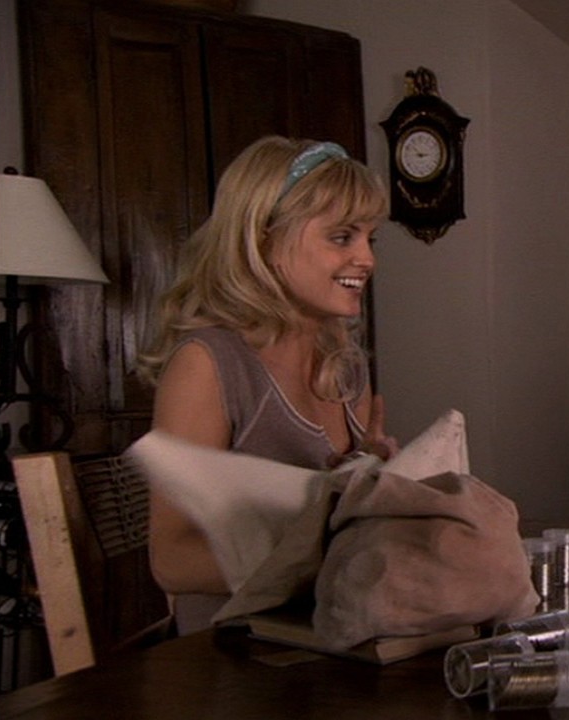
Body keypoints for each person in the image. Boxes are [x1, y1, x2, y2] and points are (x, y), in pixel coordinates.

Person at [137, 136, 398, 631]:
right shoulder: (207, 365)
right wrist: (327, 556)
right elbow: (172, 560)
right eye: (342, 237)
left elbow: (339, 526)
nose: (367, 259)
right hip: (235, 649)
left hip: (327, 631)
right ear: (264, 240)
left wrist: (372, 481)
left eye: (371, 238)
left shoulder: (345, 366)